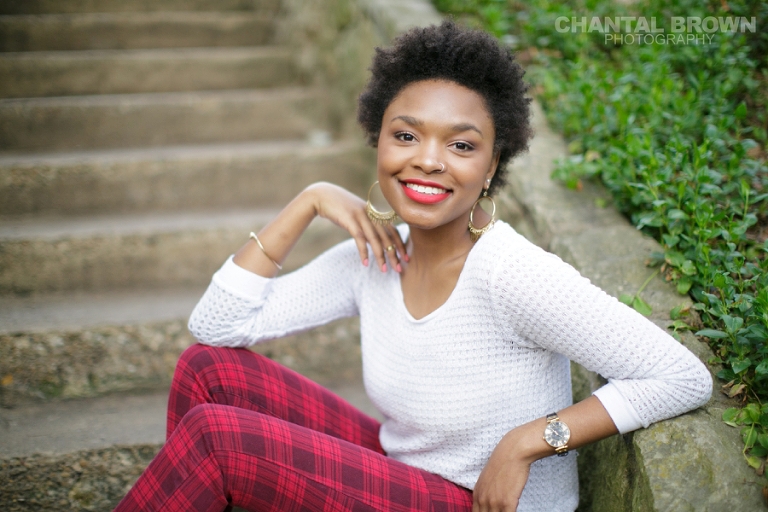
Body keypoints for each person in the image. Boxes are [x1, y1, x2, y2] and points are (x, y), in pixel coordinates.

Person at [114, 21, 712, 512]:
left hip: (477, 502)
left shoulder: (511, 272)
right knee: (208, 372)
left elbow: (681, 377)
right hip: (403, 472)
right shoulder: (375, 253)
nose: (427, 161)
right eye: (406, 135)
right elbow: (216, 327)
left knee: (221, 440)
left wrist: (528, 442)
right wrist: (310, 200)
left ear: (491, 162)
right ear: (379, 140)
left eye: (460, 145)